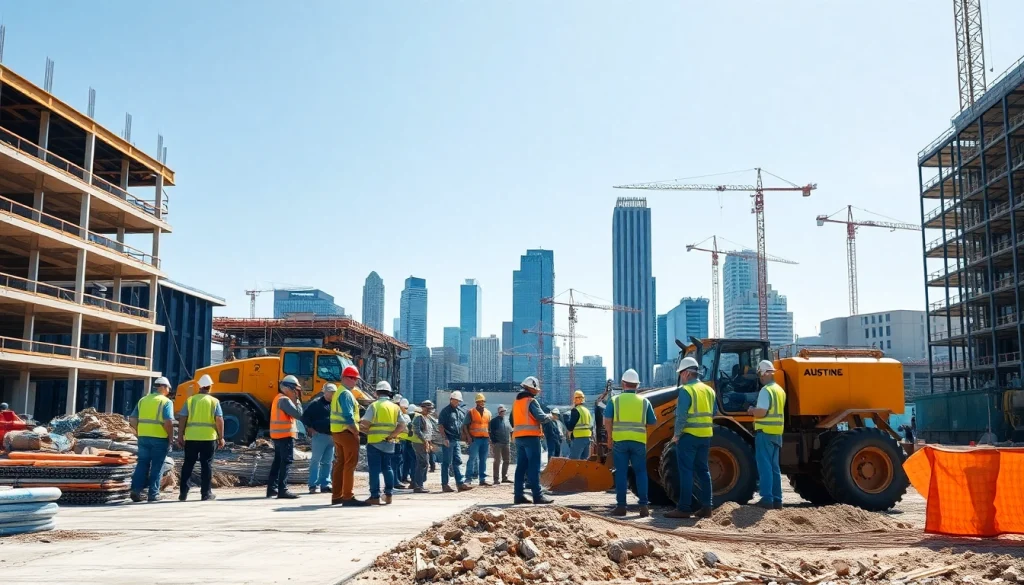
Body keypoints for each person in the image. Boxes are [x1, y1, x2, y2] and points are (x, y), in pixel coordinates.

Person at [666, 357, 717, 519]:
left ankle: (684, 508)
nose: (681, 377)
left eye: (681, 373)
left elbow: (681, 416)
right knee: (703, 471)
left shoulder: (686, 390)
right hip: (705, 436)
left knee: (686, 471)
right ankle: (707, 507)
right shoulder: (709, 390)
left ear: (687, 373)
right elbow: (714, 412)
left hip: (689, 436)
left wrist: (676, 435)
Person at [604, 368, 657, 517]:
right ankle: (644, 507)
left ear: (623, 383)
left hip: (620, 441)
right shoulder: (644, 401)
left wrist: (610, 437)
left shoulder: (615, 400)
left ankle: (621, 507)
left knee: (621, 473)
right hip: (639, 442)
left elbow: (607, 420)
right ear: (637, 385)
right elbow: (652, 422)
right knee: (640, 472)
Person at [177, 374, 225, 501]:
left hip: (191, 438)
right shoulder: (214, 401)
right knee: (206, 465)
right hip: (209, 438)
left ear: (199, 386)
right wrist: (221, 437)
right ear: (209, 387)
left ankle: (183, 493)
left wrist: (180, 435)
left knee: (188, 464)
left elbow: (182, 418)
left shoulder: (190, 400)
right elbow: (219, 419)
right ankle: (206, 494)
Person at [359, 381, 406, 505]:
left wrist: (361, 427)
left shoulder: (374, 406)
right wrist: (392, 435)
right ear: (389, 393)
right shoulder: (395, 407)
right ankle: (389, 495)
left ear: (376, 393)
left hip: (374, 442)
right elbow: (402, 425)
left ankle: (375, 496)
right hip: (389, 443)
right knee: (388, 468)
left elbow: (365, 423)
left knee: (374, 470)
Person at [129, 376, 174, 503]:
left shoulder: (143, 400)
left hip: (143, 437)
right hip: (159, 438)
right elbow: (168, 422)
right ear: (164, 387)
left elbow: (132, 419)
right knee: (157, 466)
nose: (169, 391)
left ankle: (136, 490)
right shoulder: (166, 402)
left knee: (142, 463)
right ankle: (153, 494)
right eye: (168, 388)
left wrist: (139, 430)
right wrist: (170, 437)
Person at [511, 376, 554, 505]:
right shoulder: (531, 401)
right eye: (536, 389)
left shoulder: (516, 402)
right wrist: (551, 416)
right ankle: (537, 496)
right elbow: (541, 417)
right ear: (531, 388)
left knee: (521, 467)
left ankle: (518, 495)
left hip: (519, 438)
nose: (537, 391)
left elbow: (512, 421)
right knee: (534, 467)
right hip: (531, 437)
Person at [748, 360, 784, 509]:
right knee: (775, 467)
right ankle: (777, 499)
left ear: (763, 373)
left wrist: (751, 410)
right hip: (777, 433)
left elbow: (762, 412)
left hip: (765, 432)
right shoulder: (779, 390)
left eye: (760, 374)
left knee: (765, 466)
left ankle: (767, 499)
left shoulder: (765, 390)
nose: (760, 378)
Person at [330, 366, 366, 506]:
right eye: (352, 378)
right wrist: (355, 431)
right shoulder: (346, 394)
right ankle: (347, 496)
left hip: (337, 432)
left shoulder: (339, 392)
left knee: (340, 464)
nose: (354, 381)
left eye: (356, 379)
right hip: (347, 432)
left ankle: (337, 496)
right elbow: (348, 415)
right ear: (344, 378)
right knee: (350, 464)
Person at [267, 375, 303, 499]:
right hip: (285, 435)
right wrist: (297, 400)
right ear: (288, 388)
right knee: (286, 461)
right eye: (295, 389)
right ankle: (283, 489)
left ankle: (272, 488)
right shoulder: (285, 400)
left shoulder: (278, 398)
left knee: (278, 462)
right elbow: (298, 414)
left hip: (277, 435)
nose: (296, 392)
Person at [300, 383, 336, 494]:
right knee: (316, 461)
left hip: (332, 436)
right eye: (330, 391)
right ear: (324, 392)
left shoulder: (336, 404)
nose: (332, 394)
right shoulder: (316, 404)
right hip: (319, 436)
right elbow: (305, 416)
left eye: (334, 392)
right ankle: (313, 485)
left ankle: (325, 484)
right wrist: (310, 428)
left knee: (327, 462)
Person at [437, 391, 473, 493]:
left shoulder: (459, 411)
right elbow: (440, 426)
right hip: (448, 439)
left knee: (457, 461)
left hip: (456, 440)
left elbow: (462, 426)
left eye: (459, 401)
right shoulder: (445, 412)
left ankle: (460, 483)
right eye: (456, 400)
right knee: (446, 463)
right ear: (451, 399)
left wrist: (465, 437)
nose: (457, 402)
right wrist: (444, 438)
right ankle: (445, 485)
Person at [464, 394, 492, 486]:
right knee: (472, 459)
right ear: (476, 402)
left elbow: (489, 427)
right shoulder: (471, 412)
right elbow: (465, 425)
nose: (482, 403)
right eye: (480, 401)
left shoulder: (488, 413)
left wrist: (490, 438)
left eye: (483, 401)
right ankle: (468, 478)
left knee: (483, 460)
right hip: (475, 439)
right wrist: (468, 437)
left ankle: (482, 479)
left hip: (485, 439)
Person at [411, 400, 437, 493]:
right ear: (423, 407)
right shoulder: (419, 417)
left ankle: (418, 483)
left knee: (422, 463)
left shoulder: (427, 417)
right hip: (419, 443)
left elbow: (429, 431)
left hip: (424, 443)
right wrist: (424, 441)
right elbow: (417, 431)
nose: (429, 410)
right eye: (428, 408)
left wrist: (429, 442)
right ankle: (418, 485)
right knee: (423, 463)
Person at [566, 390, 593, 460]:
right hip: (588, 438)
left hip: (578, 438)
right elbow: (591, 425)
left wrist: (565, 418)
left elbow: (570, 426)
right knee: (584, 460)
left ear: (575, 399)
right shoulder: (587, 411)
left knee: (573, 460)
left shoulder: (575, 410)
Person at [489, 404, 512, 484]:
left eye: (504, 411)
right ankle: (496, 479)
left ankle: (504, 477)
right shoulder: (494, 421)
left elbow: (510, 430)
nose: (503, 412)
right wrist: (494, 441)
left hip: (506, 443)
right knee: (497, 461)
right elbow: (490, 432)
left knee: (507, 460)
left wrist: (511, 439)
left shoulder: (507, 420)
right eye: (501, 411)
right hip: (498, 444)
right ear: (499, 412)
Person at [392, 398, 412, 489]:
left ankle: (398, 479)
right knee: (396, 462)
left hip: (399, 440)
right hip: (397, 440)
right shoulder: (398, 415)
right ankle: (396, 481)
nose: (406, 410)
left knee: (399, 461)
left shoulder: (398, 414)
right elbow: (402, 427)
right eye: (405, 408)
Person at [401, 400, 418, 486]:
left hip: (405, 441)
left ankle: (404, 477)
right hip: (413, 442)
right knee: (414, 461)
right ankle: (413, 480)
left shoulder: (406, 416)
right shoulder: (415, 418)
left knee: (406, 461)